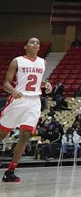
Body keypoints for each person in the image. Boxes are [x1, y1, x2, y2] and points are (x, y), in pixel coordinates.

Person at [0, 37, 51, 183]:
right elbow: (6, 84)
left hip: (34, 101)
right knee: (2, 134)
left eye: (38, 42)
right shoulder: (17, 61)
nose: (35, 44)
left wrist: (47, 84)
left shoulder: (43, 62)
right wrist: (13, 91)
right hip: (18, 100)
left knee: (25, 135)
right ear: (25, 46)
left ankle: (11, 171)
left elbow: (36, 80)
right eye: (32, 42)